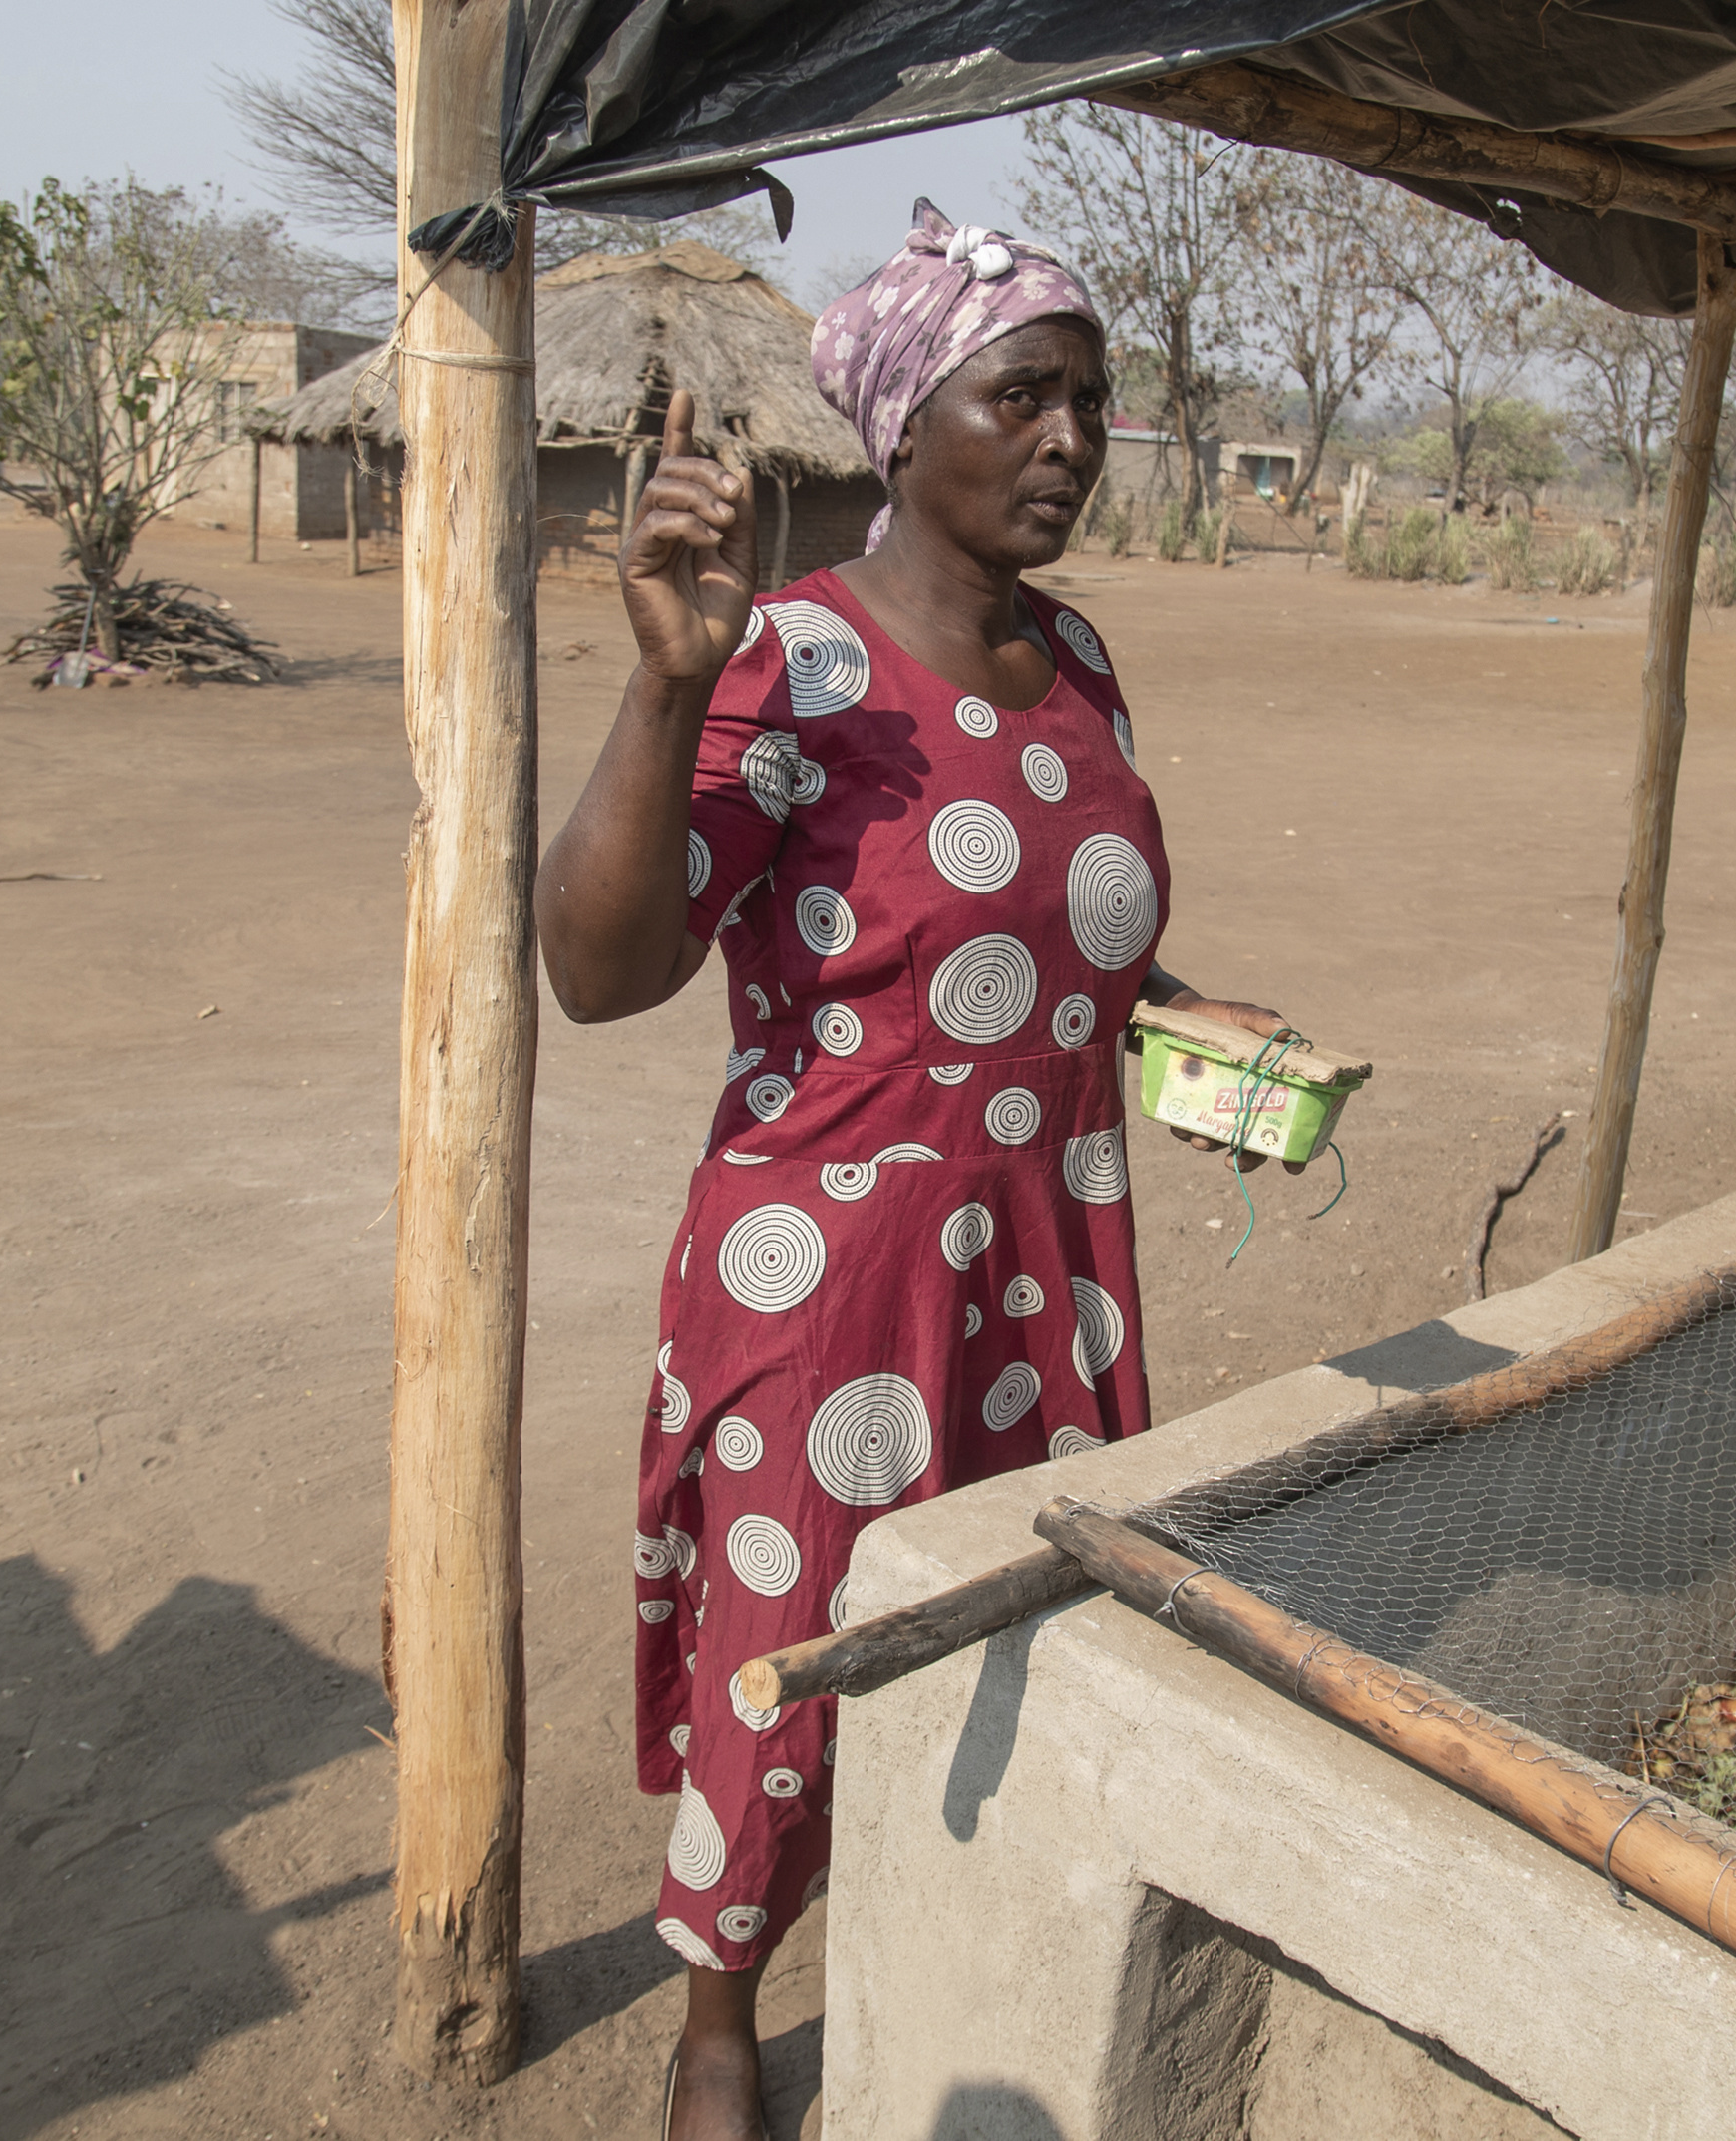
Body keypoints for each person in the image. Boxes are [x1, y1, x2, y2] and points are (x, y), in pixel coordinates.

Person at [535, 201, 1302, 2141]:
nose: (1069, 437)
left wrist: (1207, 1035)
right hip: (838, 1293)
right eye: (1022, 395)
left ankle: (931, 1949)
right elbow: (602, 970)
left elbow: (1058, 954)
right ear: (903, 421)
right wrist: (664, 686)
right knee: (782, 1675)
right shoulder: (787, 663)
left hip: (1049, 1271)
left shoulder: (1088, 669)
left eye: (1092, 403)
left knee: (1001, 1651)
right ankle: (718, 2020)